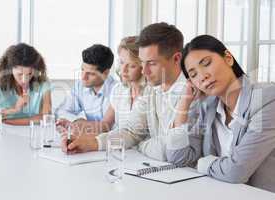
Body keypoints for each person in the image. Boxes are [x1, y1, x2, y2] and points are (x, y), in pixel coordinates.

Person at [61, 22, 189, 161]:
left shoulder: (192, 92)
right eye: (142, 63)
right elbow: (131, 132)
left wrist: (140, 145)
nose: (144, 71)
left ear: (176, 59)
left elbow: (172, 153)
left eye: (151, 63)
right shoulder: (153, 89)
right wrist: (90, 143)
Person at [167, 35, 275, 192]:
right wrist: (184, 104)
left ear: (228, 58)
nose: (203, 76)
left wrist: (203, 163)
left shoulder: (266, 99)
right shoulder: (207, 107)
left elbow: (236, 171)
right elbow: (179, 159)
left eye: (206, 63)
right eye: (193, 74)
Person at [0, 43, 51, 126]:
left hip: (30, 135)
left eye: (29, 74)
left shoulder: (42, 83)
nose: (25, 80)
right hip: (3, 136)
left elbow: (46, 118)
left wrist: (7, 122)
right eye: (20, 74)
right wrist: (13, 110)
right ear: (10, 70)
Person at [55, 44, 116, 133]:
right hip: (88, 137)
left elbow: (107, 128)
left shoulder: (117, 91)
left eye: (90, 73)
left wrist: (83, 125)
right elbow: (61, 112)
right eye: (82, 70)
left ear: (105, 73)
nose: (83, 77)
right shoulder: (80, 86)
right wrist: (78, 121)